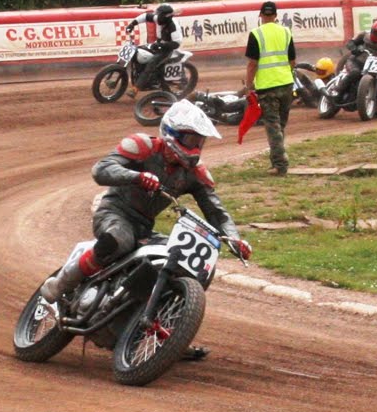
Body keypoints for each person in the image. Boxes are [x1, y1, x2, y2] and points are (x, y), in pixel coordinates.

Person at [40, 99, 252, 306]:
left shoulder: (195, 173)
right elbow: (101, 169)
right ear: (172, 133)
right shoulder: (143, 146)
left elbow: (216, 212)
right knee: (119, 239)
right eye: (191, 140)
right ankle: (61, 284)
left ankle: (155, 310)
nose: (196, 147)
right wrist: (136, 177)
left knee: (183, 260)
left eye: (200, 142)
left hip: (144, 228)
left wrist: (234, 239)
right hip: (114, 212)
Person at [245, 0, 296, 176]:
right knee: (280, 125)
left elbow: (252, 64)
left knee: (273, 126)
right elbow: (292, 61)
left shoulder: (256, 34)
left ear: (260, 15)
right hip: (286, 84)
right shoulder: (286, 32)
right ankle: (277, 160)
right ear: (275, 15)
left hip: (267, 87)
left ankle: (280, 165)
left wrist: (248, 85)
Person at [125, 3, 184, 97]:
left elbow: (176, 43)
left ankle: (136, 88)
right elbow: (145, 16)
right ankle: (142, 76)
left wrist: (161, 45)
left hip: (167, 49)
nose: (157, 17)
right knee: (138, 51)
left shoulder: (173, 26)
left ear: (166, 17)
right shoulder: (159, 18)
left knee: (152, 63)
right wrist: (132, 24)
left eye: (160, 15)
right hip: (157, 44)